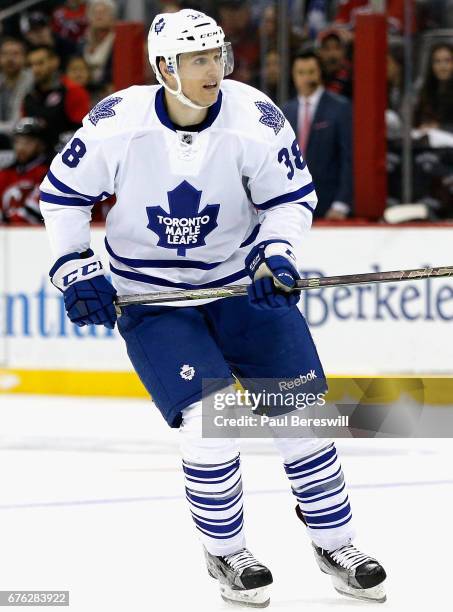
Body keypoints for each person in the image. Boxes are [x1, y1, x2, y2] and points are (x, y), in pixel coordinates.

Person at [39, 9, 386, 607]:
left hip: (238, 285)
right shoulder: (117, 122)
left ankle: (337, 542)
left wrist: (275, 253)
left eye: (217, 55)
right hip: (155, 301)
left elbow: (291, 199)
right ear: (164, 68)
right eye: (197, 59)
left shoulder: (255, 117)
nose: (213, 69)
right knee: (211, 419)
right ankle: (227, 552)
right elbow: (62, 197)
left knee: (302, 413)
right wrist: (75, 267)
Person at [282, 50, 353, 220]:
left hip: (328, 203)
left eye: (311, 72)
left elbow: (348, 157)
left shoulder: (339, 108)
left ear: (320, 73)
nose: (306, 78)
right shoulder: (285, 111)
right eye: (300, 73)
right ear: (293, 75)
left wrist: (341, 202)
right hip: (292, 204)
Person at [23, 45, 90, 151]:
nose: (35, 69)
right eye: (31, 65)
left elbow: (82, 130)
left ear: (54, 62)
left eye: (40, 63)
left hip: (63, 154)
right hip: (34, 156)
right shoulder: (29, 95)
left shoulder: (73, 91)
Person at [0, 117, 48, 224]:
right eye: (18, 142)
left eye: (27, 142)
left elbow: (34, 213)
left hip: (36, 236)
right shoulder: (5, 173)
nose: (21, 147)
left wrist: (6, 221)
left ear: (40, 145)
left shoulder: (47, 174)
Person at [0, 38, 33, 147]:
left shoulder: (31, 80)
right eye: (5, 54)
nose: (10, 59)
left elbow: (17, 122)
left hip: (23, 139)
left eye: (15, 54)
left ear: (25, 57)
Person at [414, 43, 453, 132]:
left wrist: (440, 127)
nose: (442, 66)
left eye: (447, 61)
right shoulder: (426, 90)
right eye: (437, 61)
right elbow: (417, 121)